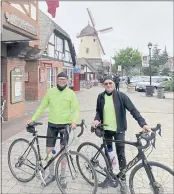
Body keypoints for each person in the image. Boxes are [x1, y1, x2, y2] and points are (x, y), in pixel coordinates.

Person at [92, 75, 151, 192]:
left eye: (110, 83)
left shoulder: (121, 96)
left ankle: (123, 180)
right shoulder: (100, 97)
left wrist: (143, 124)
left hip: (119, 130)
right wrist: (96, 119)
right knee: (109, 153)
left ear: (114, 84)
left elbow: (133, 110)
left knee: (120, 154)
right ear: (104, 85)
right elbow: (98, 111)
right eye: (106, 84)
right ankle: (109, 176)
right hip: (106, 131)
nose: (108, 85)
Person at [26, 72, 80, 187]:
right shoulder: (50, 92)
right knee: (49, 151)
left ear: (67, 80)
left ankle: (63, 176)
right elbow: (42, 106)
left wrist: (74, 121)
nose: (62, 81)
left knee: (63, 151)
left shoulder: (71, 93)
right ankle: (51, 174)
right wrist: (32, 118)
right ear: (56, 80)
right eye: (60, 79)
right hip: (52, 126)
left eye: (64, 79)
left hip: (65, 126)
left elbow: (76, 109)